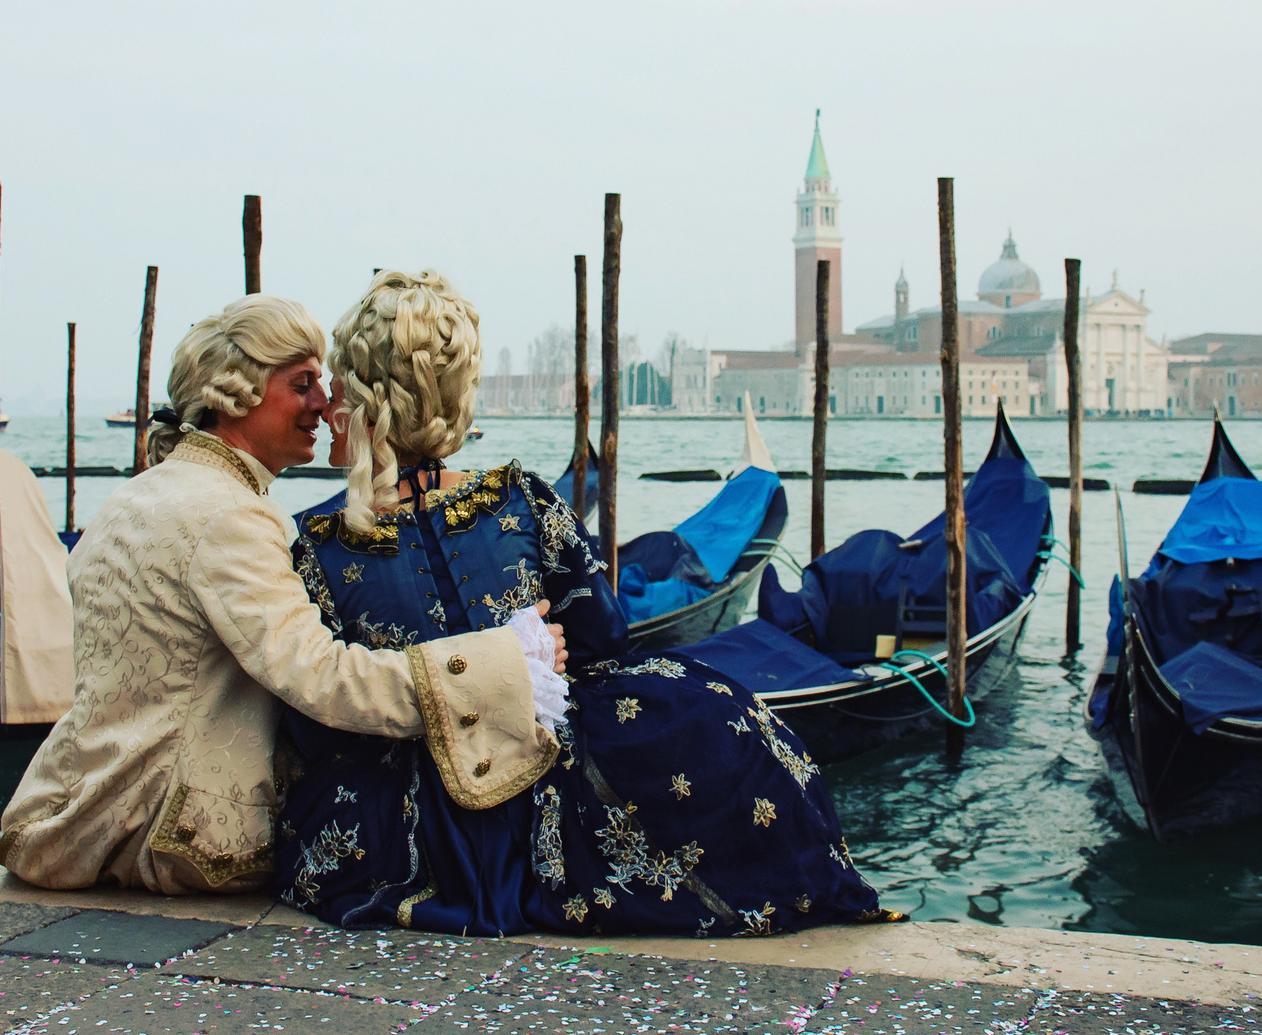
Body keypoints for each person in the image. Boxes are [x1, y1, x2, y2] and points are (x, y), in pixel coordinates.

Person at [275, 271, 896, 936]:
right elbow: (603, 639)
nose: (330, 397)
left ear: (365, 396)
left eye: (339, 380)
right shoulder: (523, 499)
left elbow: (317, 720)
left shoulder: (315, 544)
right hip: (538, 772)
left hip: (401, 825)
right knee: (719, 716)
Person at [0, 294, 566, 894]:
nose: (325, 403)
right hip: (170, 835)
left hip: (81, 810)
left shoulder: (136, 496)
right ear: (237, 395)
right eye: (302, 384)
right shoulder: (228, 515)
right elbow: (320, 677)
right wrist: (505, 668)